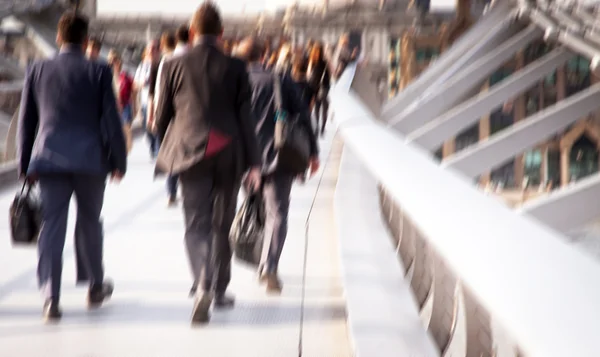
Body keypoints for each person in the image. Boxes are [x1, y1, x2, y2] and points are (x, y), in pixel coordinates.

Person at [153, 2, 261, 324]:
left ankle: (203, 283)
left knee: (195, 223)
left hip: (190, 152)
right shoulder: (237, 67)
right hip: (228, 153)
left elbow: (161, 119)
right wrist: (254, 164)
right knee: (222, 224)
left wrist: (173, 142)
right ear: (222, 33)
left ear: (192, 31)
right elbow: (246, 118)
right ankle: (220, 288)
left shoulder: (172, 65)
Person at [17, 11, 126, 321]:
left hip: (49, 159)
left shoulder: (37, 69)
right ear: (86, 40)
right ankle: (94, 285)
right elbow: (111, 121)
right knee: (90, 222)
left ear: (58, 37)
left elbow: (27, 121)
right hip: (91, 161)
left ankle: (50, 297)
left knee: (51, 226)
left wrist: (25, 163)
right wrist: (118, 161)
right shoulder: (100, 70)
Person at [235, 37, 320, 293]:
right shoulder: (280, 79)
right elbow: (304, 115)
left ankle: (260, 260)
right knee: (278, 212)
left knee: (256, 206)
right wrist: (313, 153)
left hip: (244, 159)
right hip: (278, 156)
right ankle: (269, 266)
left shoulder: (233, 83)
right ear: (264, 56)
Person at [134, 40, 160, 159]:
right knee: (147, 126)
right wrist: (142, 83)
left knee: (158, 125)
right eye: (150, 49)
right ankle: (152, 145)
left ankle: (158, 148)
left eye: (154, 48)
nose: (152, 51)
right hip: (146, 100)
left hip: (158, 100)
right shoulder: (142, 66)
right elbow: (135, 85)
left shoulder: (161, 64)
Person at [108, 51, 134, 153]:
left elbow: (132, 91)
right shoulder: (107, 75)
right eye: (110, 60)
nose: (112, 62)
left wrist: (135, 107)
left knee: (126, 130)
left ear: (119, 61)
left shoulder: (125, 76)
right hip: (112, 106)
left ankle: (126, 153)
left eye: (114, 60)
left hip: (125, 105)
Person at [307, 42, 331, 136]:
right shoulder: (325, 61)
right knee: (325, 108)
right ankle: (322, 129)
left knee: (317, 108)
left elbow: (309, 74)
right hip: (324, 87)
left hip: (314, 87)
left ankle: (316, 127)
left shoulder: (312, 60)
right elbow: (330, 74)